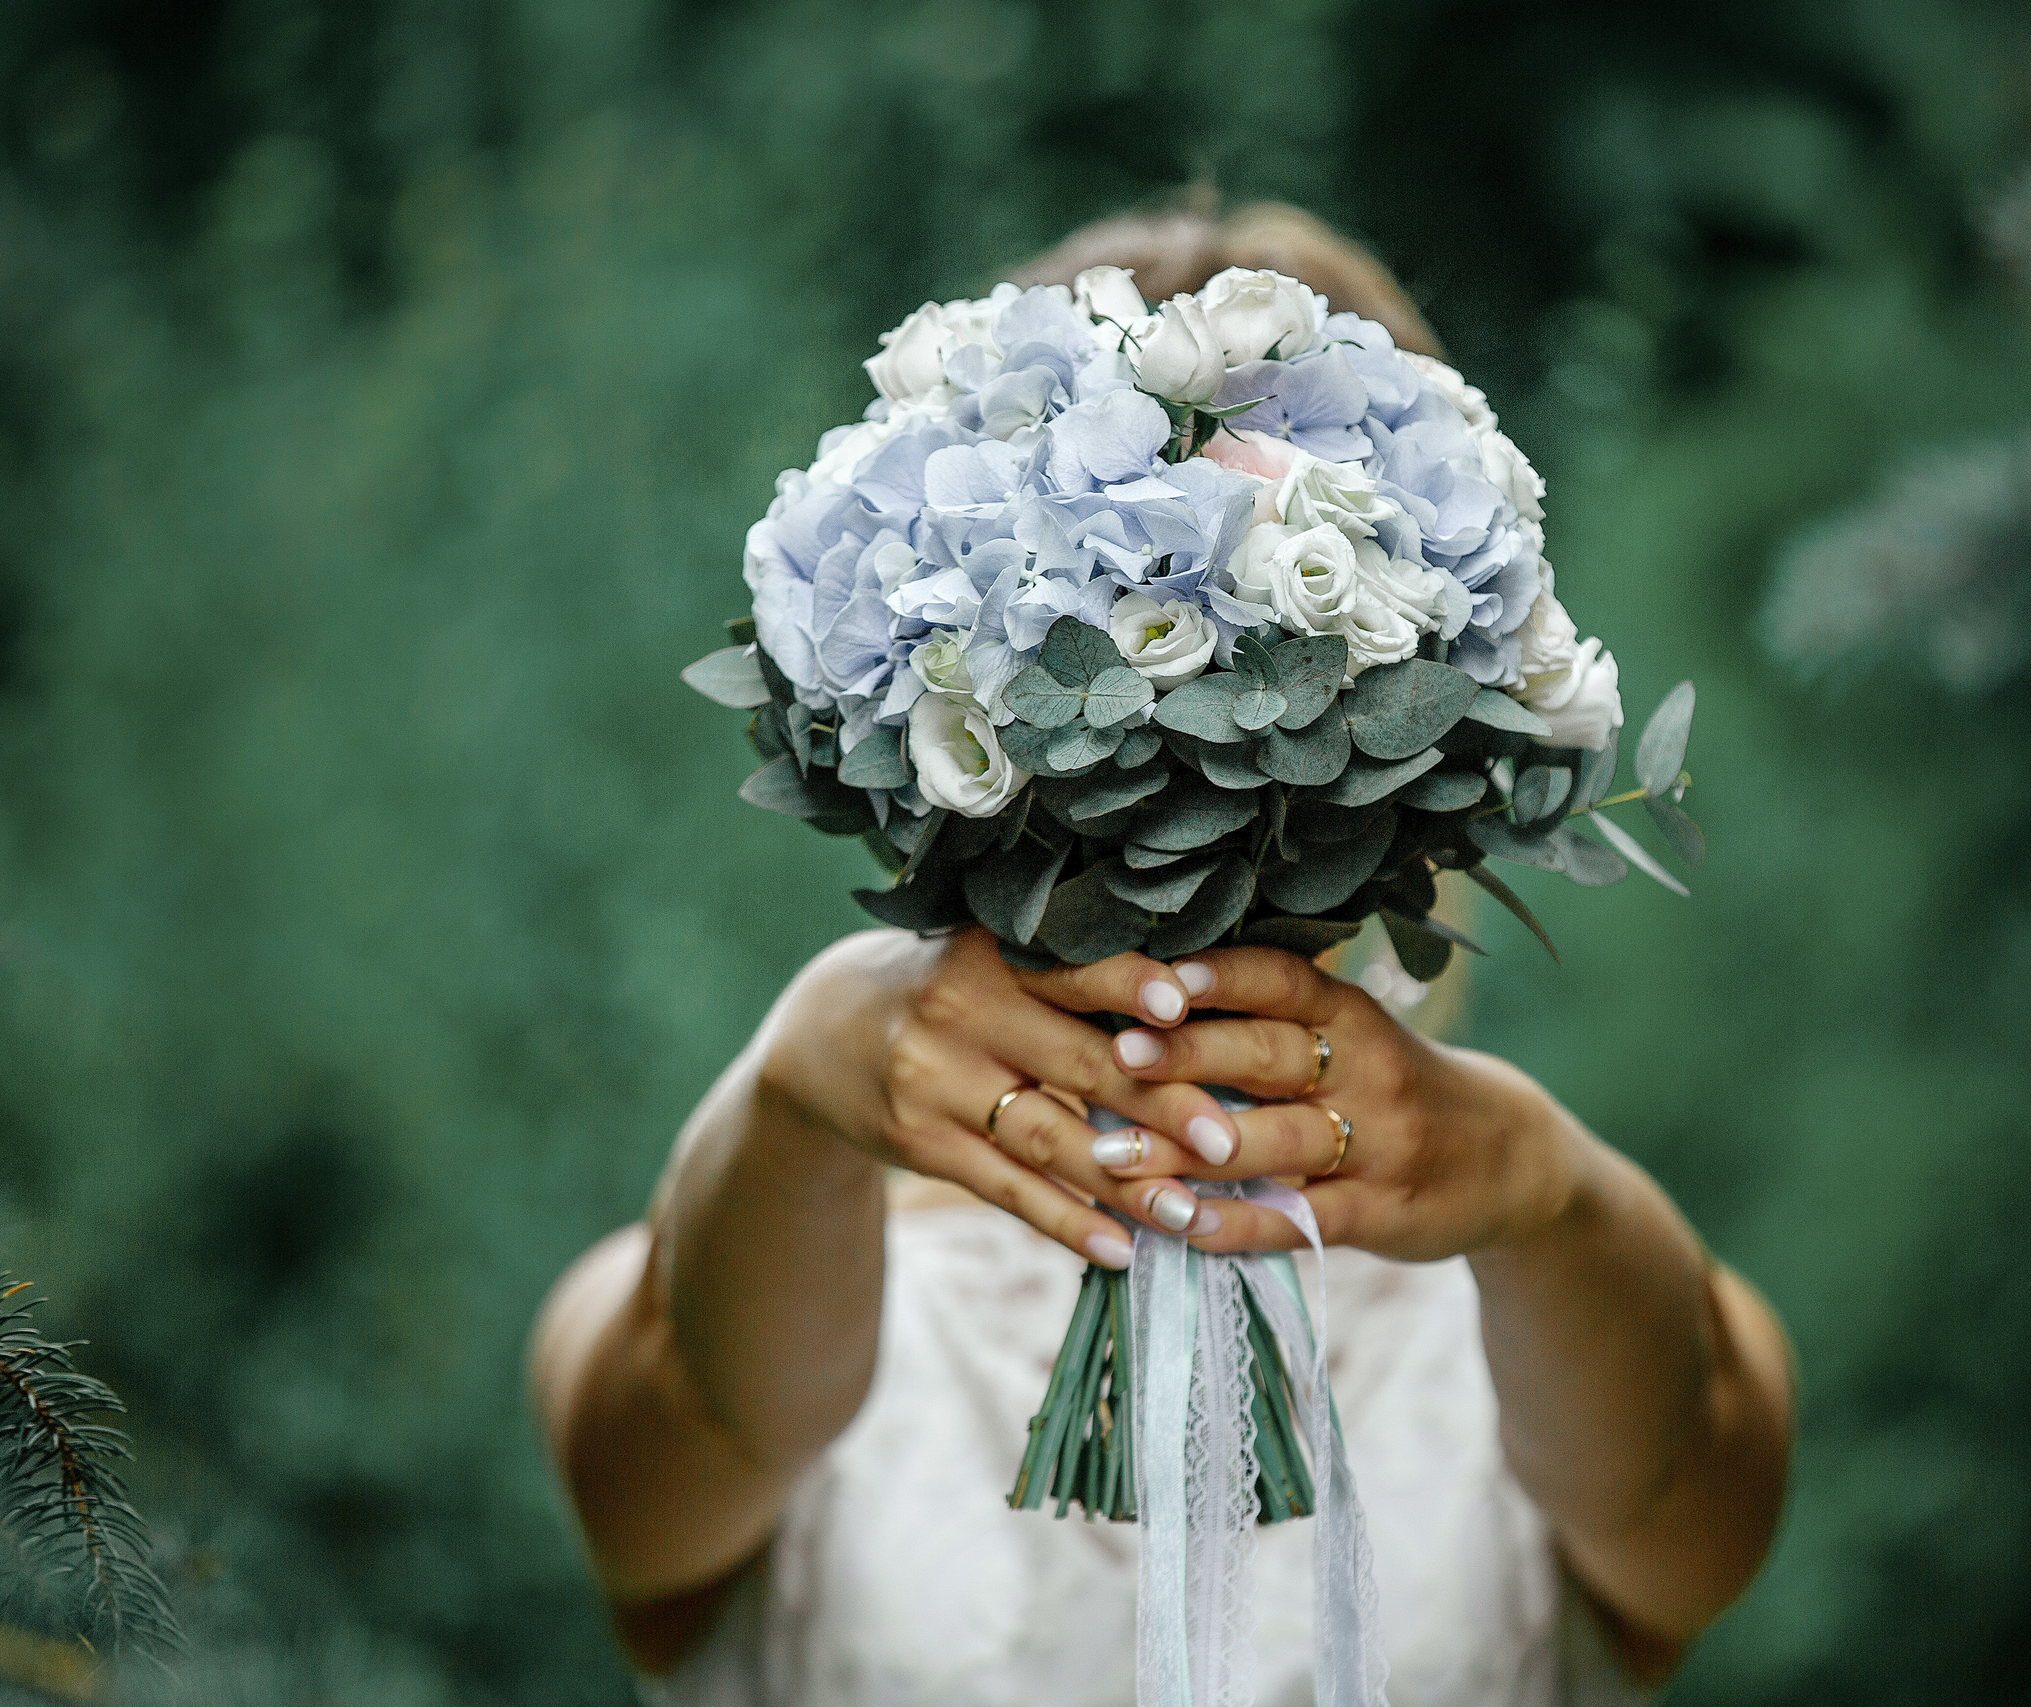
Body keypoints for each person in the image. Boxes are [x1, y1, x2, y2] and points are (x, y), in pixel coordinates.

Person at [529, 206, 1794, 1707]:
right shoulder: (779, 1251)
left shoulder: (1540, 1271)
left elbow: (1697, 1503)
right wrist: (795, 1091)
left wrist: (1549, 1195)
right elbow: (666, 1465)